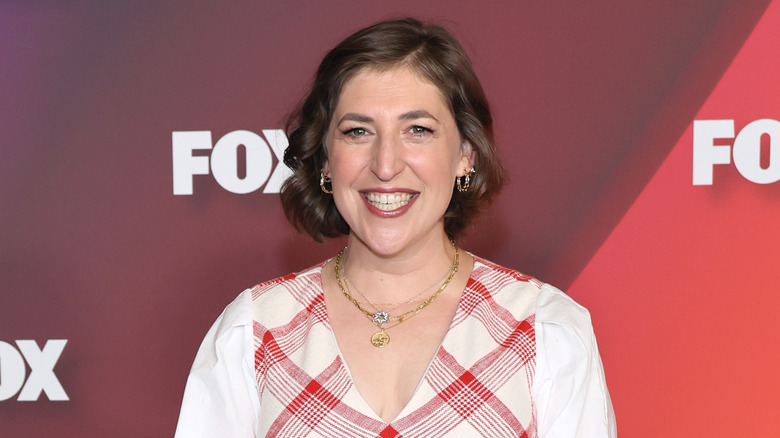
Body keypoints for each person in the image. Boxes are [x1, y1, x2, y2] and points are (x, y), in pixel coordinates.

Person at [175, 18, 616, 438]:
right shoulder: (253, 332)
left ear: (465, 154)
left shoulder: (544, 330)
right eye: (357, 132)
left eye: (417, 130)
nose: (386, 165)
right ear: (326, 159)